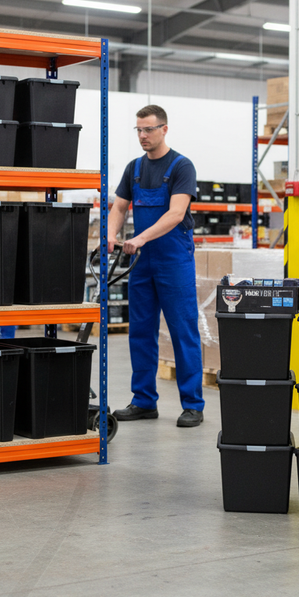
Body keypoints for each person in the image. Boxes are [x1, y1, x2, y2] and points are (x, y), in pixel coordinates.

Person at [107, 104, 204, 427]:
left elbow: (177, 214)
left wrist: (140, 238)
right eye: (138, 130)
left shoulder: (181, 166)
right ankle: (144, 401)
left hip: (173, 261)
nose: (143, 136)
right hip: (141, 264)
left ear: (164, 129)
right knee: (140, 332)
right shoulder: (133, 168)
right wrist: (110, 235)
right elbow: (119, 206)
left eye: (148, 129)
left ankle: (193, 404)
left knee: (183, 331)